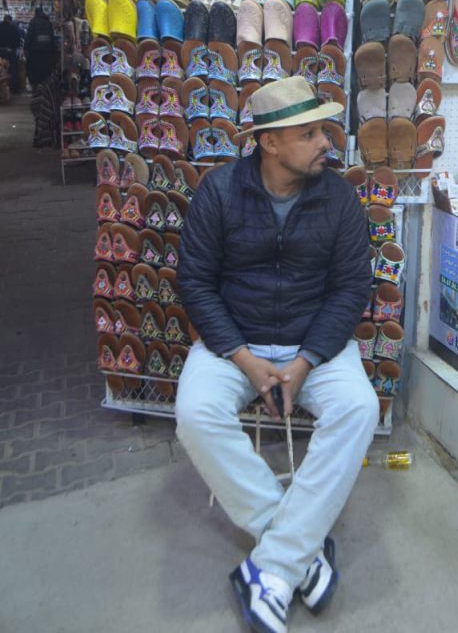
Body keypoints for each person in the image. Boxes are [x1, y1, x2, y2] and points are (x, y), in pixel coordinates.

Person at [176, 76, 378, 633]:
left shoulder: (338, 198)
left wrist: (305, 361)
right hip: (234, 343)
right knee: (195, 413)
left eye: (322, 131)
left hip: (313, 345)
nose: (325, 143)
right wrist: (243, 358)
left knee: (359, 408)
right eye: (308, 134)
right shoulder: (219, 193)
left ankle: (272, 566)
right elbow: (195, 284)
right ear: (269, 143)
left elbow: (351, 288)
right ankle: (298, 551)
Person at [24, 5, 55, 89]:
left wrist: (26, 48)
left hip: (35, 52)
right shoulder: (48, 23)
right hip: (47, 51)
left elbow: (29, 36)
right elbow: (52, 37)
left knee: (35, 69)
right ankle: (44, 86)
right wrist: (53, 50)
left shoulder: (33, 22)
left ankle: (36, 86)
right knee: (45, 69)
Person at [0, 12, 22, 92]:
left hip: (1, 51)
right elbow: (18, 39)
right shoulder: (13, 28)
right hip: (11, 51)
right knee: (13, 69)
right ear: (10, 20)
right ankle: (14, 88)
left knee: (1, 69)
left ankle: (2, 88)